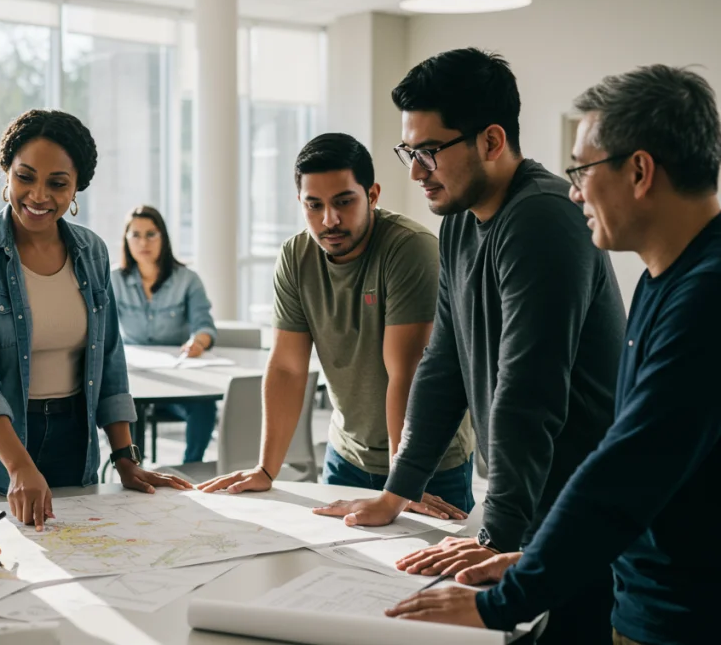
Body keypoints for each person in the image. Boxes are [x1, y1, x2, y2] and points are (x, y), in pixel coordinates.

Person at [386, 64, 721, 645]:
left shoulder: (706, 297)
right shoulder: (664, 280)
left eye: (583, 170)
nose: (574, 190)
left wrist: (505, 595)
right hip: (630, 579)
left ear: (640, 171)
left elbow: (626, 463)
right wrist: (523, 559)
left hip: (683, 613)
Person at [313, 49, 626, 644]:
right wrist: (398, 491)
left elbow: (527, 392)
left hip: (580, 510)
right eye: (411, 151)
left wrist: (497, 536)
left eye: (428, 151)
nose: (415, 170)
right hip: (530, 500)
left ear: (490, 140)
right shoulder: (458, 221)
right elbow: (444, 365)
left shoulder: (541, 218)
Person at [199, 133, 475, 519]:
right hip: (347, 455)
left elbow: (407, 373)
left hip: (426, 462)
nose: (329, 220)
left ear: (372, 195)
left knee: (421, 577)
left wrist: (401, 485)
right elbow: (287, 367)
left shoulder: (410, 248)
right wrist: (266, 468)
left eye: (344, 202)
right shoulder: (296, 256)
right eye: (314, 205)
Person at [0, 109, 192, 527]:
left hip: (73, 447)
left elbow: (109, 360)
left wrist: (125, 458)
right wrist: (18, 467)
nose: (38, 195)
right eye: (25, 177)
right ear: (7, 173)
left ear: (77, 188)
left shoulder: (92, 252)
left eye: (57, 184)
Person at [111, 205, 219, 463]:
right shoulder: (112, 279)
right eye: (135, 235)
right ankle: (132, 471)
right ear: (126, 241)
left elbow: (205, 326)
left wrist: (198, 342)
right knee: (118, 406)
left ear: (164, 238)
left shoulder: (187, 279)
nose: (143, 242)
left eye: (151, 234)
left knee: (204, 407)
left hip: (176, 379)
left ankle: (191, 470)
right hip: (134, 380)